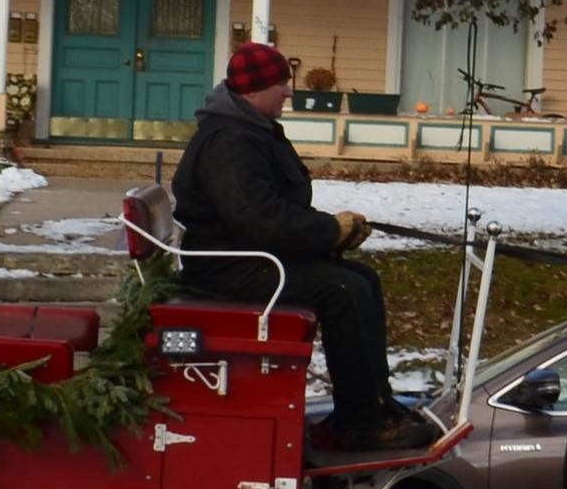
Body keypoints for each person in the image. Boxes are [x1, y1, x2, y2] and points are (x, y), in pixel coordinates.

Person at [170, 41, 434, 454]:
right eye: (281, 83)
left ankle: (370, 407)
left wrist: (334, 231)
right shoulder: (229, 141)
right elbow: (259, 219)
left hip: (248, 255)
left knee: (362, 278)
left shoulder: (248, 129)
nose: (289, 92)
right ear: (255, 89)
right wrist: (330, 231)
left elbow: (270, 213)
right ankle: (361, 426)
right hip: (228, 268)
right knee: (342, 290)